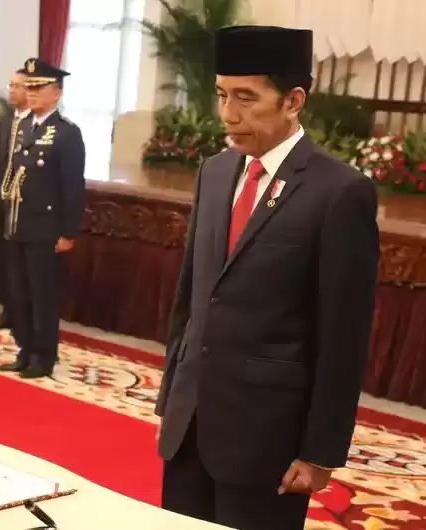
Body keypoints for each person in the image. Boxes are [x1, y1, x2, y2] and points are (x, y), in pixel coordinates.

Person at [154, 26, 380, 530]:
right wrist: (171, 403)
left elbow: (343, 336)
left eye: (246, 98)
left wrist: (320, 451)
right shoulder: (214, 173)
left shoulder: (339, 192)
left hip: (267, 439)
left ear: (293, 101)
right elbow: (191, 298)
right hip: (190, 426)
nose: (228, 114)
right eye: (221, 95)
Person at [0, 58, 86, 379]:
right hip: (18, 224)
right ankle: (24, 349)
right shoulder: (22, 128)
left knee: (41, 296)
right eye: (29, 87)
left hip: (45, 229)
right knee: (19, 293)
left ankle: (43, 356)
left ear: (56, 93)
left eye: (39, 88)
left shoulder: (66, 133)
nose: (31, 93)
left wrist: (68, 232)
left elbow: (73, 187)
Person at [0, 69, 31, 330]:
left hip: (25, 204)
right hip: (3, 202)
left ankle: (22, 315)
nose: (12, 90)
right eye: (10, 85)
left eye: (17, 85)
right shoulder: (7, 121)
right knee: (5, 261)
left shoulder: (36, 123)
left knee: (21, 264)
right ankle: (7, 311)